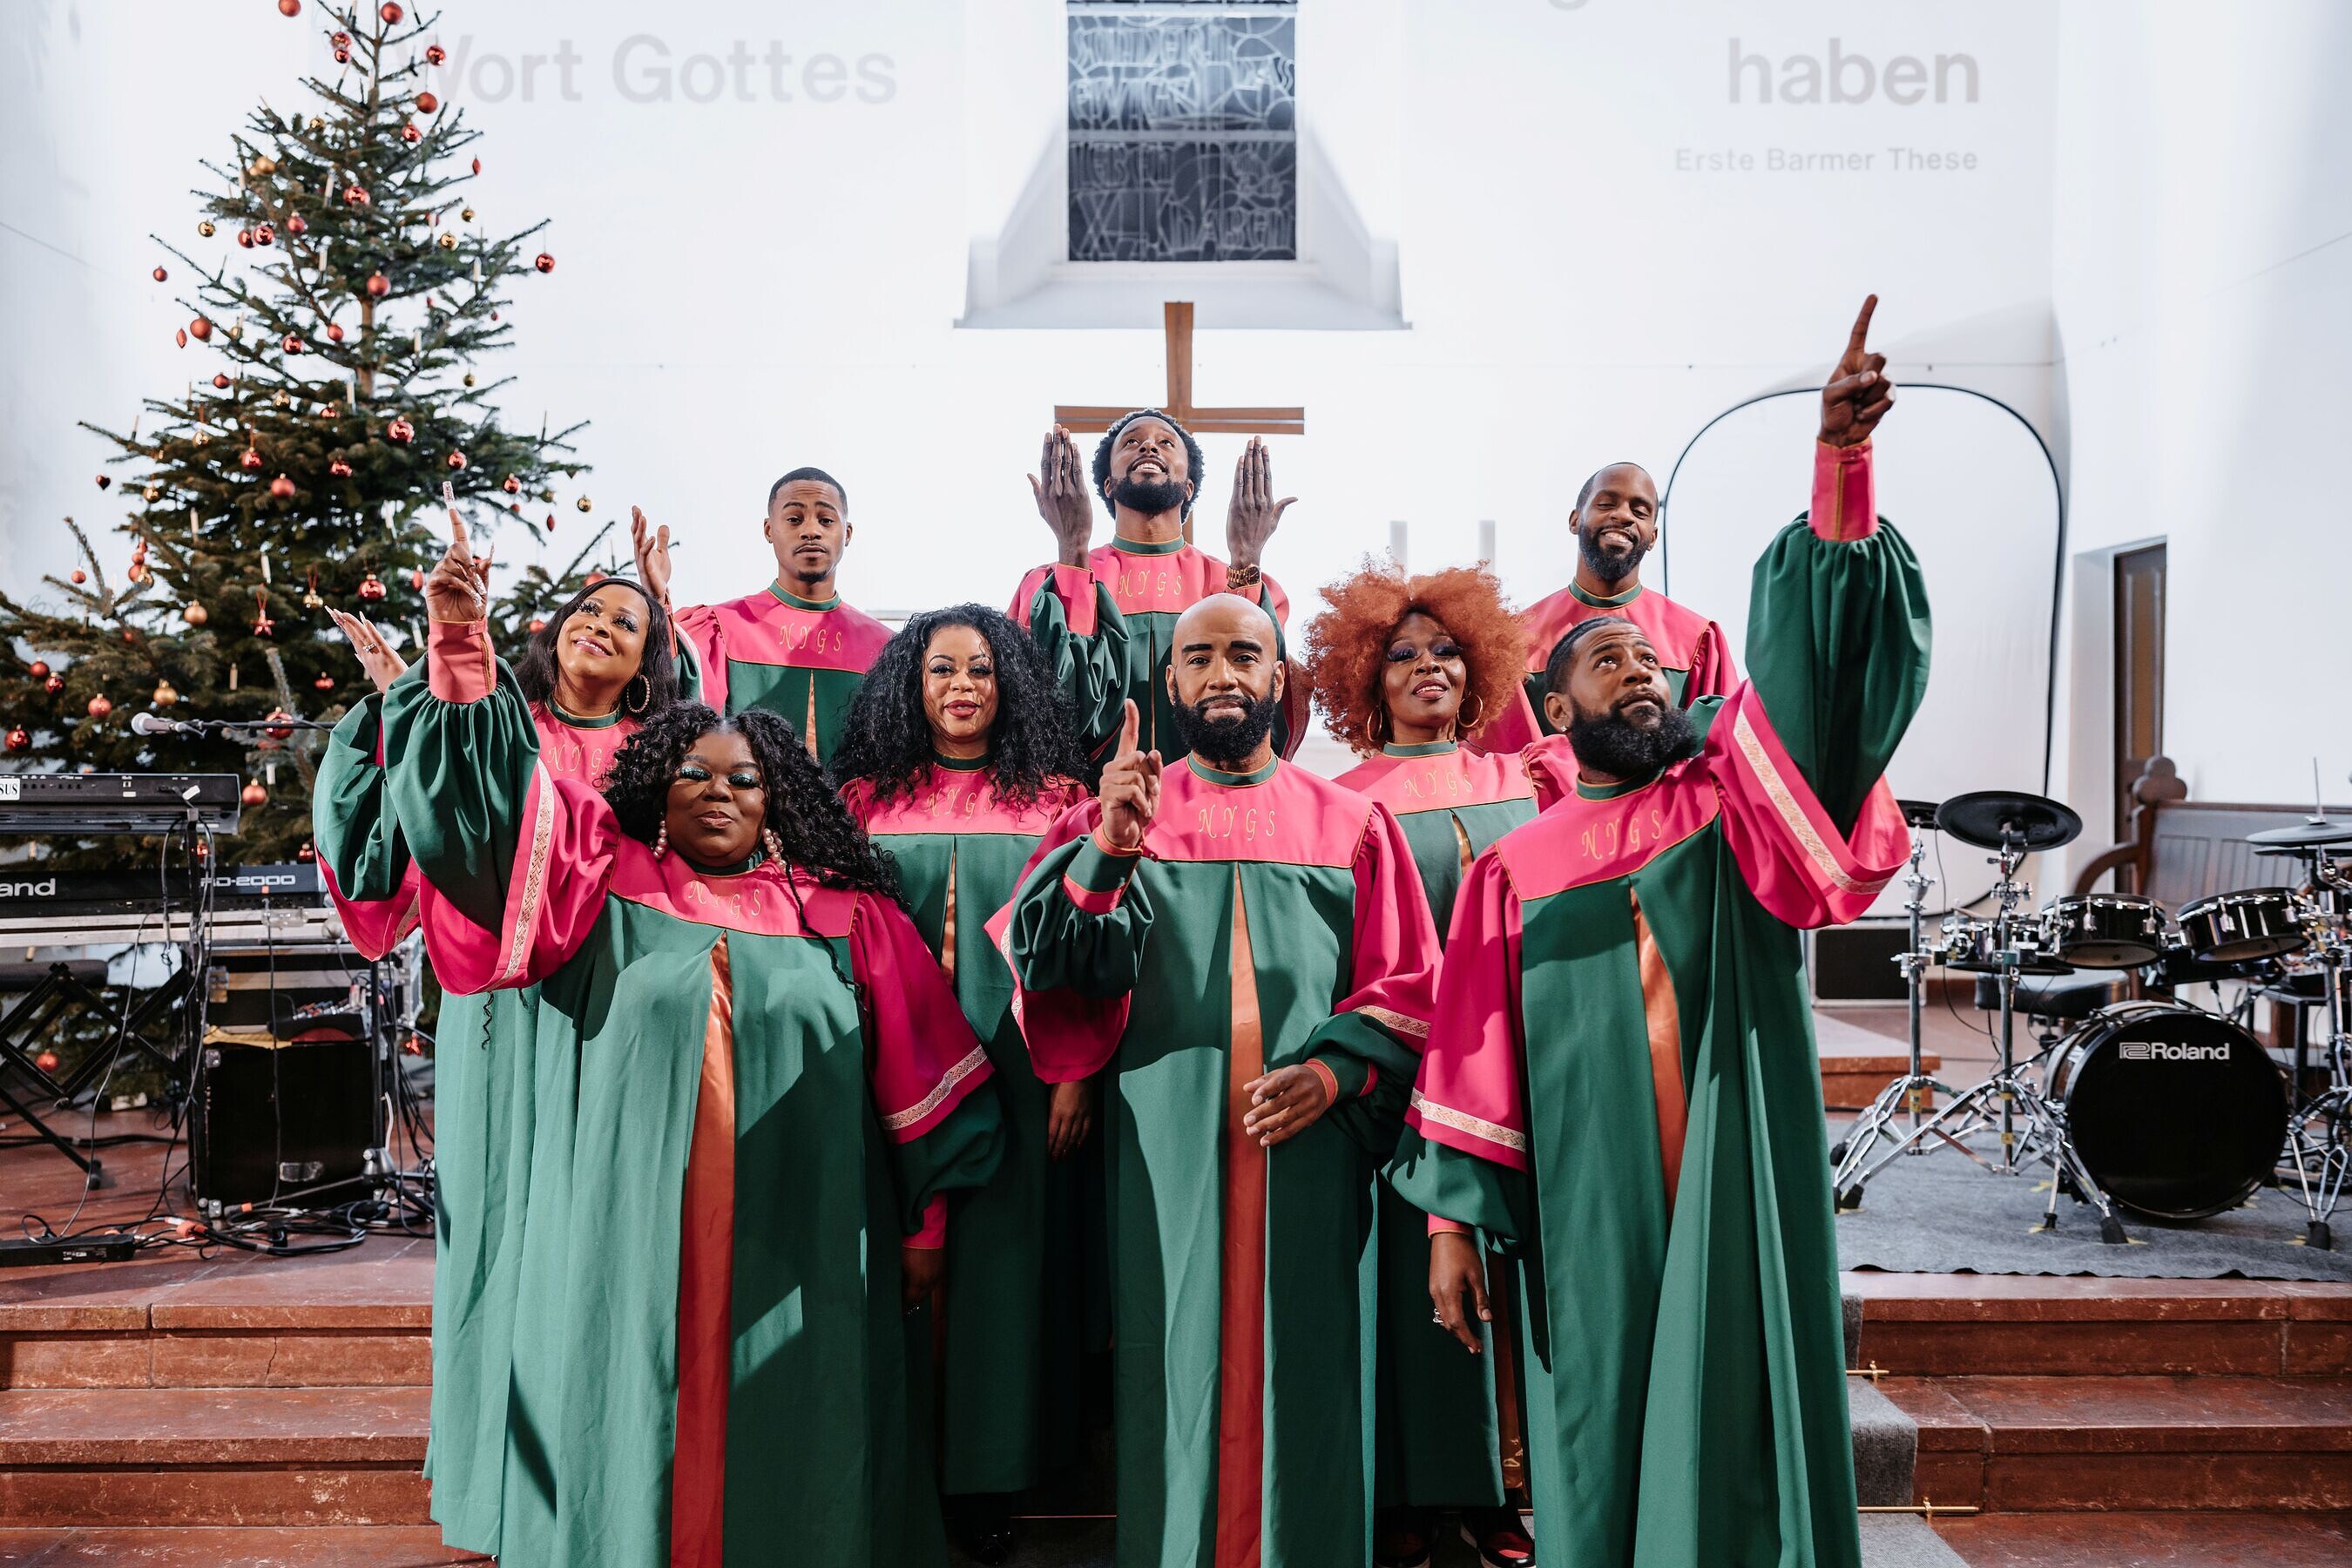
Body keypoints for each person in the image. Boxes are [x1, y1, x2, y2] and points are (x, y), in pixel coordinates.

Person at [331, 506, 1004, 1567]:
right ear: (653, 791)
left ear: (780, 799)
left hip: (805, 1240)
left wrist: (922, 1230)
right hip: (629, 1241)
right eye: (693, 775)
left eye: (744, 778)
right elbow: (478, 827)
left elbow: (919, 1078)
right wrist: (458, 652)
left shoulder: (843, 915)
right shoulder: (600, 890)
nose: (719, 793)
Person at [1393, 298, 1927, 1568]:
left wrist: (1840, 471)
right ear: (1551, 707)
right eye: (1607, 663)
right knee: (1601, 1401)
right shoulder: (1513, 870)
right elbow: (1472, 1054)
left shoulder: (1736, 802)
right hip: (1588, 1190)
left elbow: (1828, 693)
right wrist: (1452, 1225)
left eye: (1650, 662)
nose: (1641, 672)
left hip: (1737, 1166)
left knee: (1736, 1401)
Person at [994, 594, 1444, 1568]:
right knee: (1174, 1356)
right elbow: (1049, 968)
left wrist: (1335, 1072)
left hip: (1316, 1151)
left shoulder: (1354, 824)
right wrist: (1112, 845)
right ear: (1170, 681)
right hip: (1164, 1146)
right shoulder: (1114, 814)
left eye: (1245, 654)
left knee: (1311, 1360)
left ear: (1279, 678)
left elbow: (1412, 987)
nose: (1222, 674)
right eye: (1198, 658)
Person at [315, 548, 680, 1559]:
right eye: (587, 611)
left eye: (628, 623)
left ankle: (585, 1475)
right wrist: (419, 693)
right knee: (490, 1234)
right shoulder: (494, 721)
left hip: (608, 1017)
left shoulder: (659, 754)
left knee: (587, 1235)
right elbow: (431, 809)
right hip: (495, 1016)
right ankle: (492, 1483)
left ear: (647, 668)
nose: (599, 625)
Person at [830, 605, 1101, 1565]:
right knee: (895, 1263)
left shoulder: (1059, 799)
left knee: (1001, 1269)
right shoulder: (863, 800)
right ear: (910, 684)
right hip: (887, 1064)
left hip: (1020, 1067)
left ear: (1008, 684)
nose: (961, 687)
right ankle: (894, 1460)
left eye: (981, 670)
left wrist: (1075, 1072)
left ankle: (987, 1475)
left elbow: (1081, 944)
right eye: (941, 669)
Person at [1300, 563, 1545, 1568]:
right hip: (1407, 1065)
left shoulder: (1523, 785)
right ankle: (1410, 1488)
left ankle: (1506, 1488)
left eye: (1445, 650)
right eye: (1401, 655)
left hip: (1521, 1059)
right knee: (1412, 1277)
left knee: (1513, 1272)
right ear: (1368, 678)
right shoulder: (1341, 802)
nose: (1427, 667)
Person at [1010, 414, 1301, 766]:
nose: (1149, 446)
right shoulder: (1049, 583)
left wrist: (1245, 557)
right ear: (1108, 484)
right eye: (1131, 442)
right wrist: (1072, 550)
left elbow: (1260, 706)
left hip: (1205, 793)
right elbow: (1046, 707)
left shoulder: (1228, 580)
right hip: (1092, 794)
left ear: (1189, 487)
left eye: (1166, 443)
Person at [1472, 458, 1734, 754]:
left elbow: (1721, 750)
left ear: (1652, 537)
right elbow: (1507, 757)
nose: (1623, 515)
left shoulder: (1697, 638)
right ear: (1575, 520)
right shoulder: (1515, 640)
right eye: (1606, 504)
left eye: (1640, 511)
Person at [632, 468, 891, 765]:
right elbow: (668, 693)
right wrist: (655, 602)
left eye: (826, 520)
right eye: (794, 519)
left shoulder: (885, 648)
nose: (811, 531)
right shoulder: (722, 628)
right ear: (769, 529)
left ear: (847, 533)